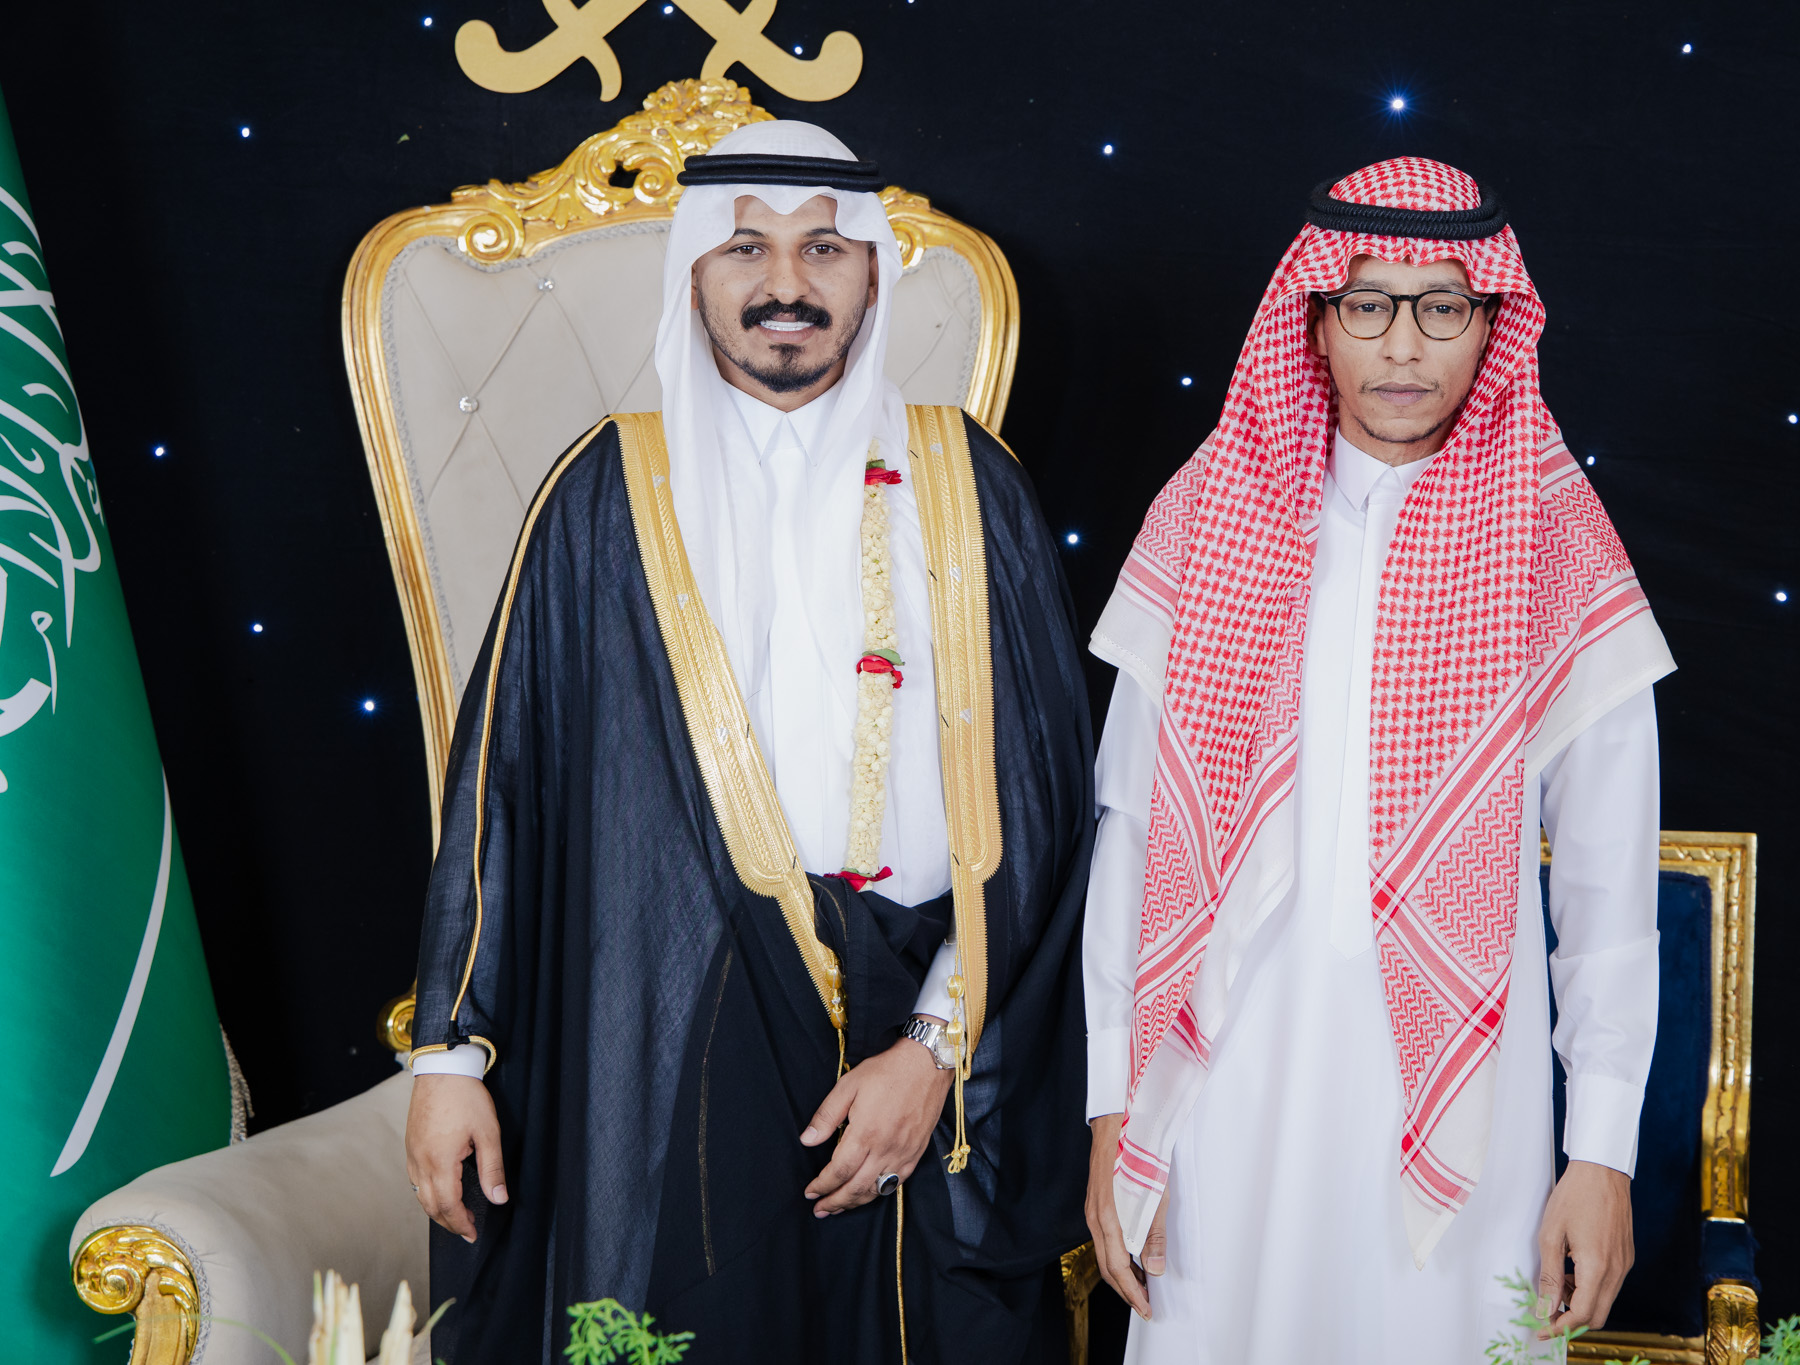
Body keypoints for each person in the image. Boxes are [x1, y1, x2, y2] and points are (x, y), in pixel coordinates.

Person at [401, 120, 1094, 1364]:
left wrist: (934, 1047)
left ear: (870, 271)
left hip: (929, 1021)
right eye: (745, 250)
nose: (786, 283)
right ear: (692, 275)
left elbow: (1040, 803)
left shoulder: (967, 482)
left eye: (822, 247)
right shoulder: (601, 493)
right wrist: (446, 1062)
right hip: (679, 1024)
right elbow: (503, 790)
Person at [1080, 157, 1675, 1360]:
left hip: (1464, 1104)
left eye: (1441, 307)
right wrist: (1111, 1112)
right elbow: (1130, 839)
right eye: (1366, 304)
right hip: (1221, 1087)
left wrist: (1600, 1152)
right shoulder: (1204, 516)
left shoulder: (1554, 544)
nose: (1402, 346)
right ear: (1312, 319)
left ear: (1491, 324)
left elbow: (1606, 891)